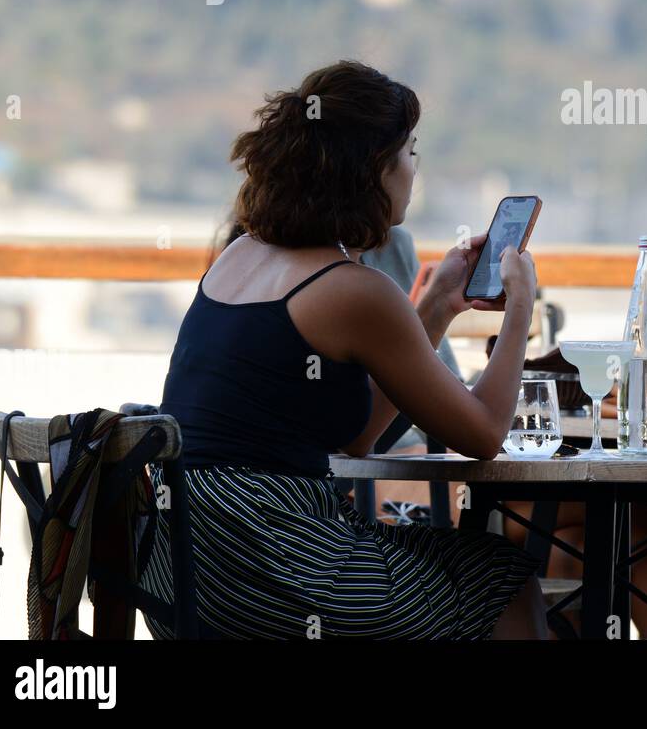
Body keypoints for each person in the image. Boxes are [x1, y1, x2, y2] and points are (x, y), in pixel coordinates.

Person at [142, 60, 545, 639]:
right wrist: (521, 306)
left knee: (464, 563)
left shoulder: (242, 255)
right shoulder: (352, 289)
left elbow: (353, 437)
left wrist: (436, 307)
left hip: (179, 566)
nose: (414, 168)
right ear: (373, 172)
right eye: (409, 153)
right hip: (269, 560)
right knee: (501, 577)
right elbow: (482, 434)